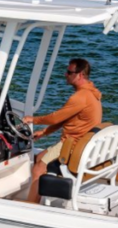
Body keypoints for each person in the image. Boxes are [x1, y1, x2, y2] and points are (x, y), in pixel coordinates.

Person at [22, 58, 103, 203]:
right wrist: (44, 132)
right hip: (80, 143)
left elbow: (55, 117)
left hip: (72, 145)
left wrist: (32, 119)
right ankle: (36, 198)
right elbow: (67, 119)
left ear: (80, 75)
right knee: (39, 157)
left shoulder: (80, 97)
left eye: (69, 72)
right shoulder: (92, 92)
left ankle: (30, 206)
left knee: (38, 169)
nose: (65, 74)